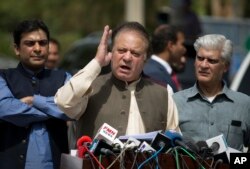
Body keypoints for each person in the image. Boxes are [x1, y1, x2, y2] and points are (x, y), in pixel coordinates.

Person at [55, 22, 180, 146]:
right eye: (121, 50)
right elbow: (63, 102)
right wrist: (97, 62)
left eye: (135, 53)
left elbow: (174, 143)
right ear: (111, 52)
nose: (127, 57)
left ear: (145, 58)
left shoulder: (163, 92)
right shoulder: (91, 87)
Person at [0, 19, 71, 169]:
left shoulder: (64, 77)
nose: (37, 48)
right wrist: (56, 107)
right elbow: (5, 108)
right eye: (30, 43)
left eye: (43, 43)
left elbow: (73, 106)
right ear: (17, 49)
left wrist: (34, 101)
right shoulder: (3, 77)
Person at [173, 34, 250, 151]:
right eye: (200, 58)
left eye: (212, 61)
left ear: (225, 67)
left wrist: (234, 162)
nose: (203, 65)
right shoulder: (176, 101)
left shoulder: (244, 104)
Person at [143, 24, 186, 92]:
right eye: (182, 44)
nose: (184, 49)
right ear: (171, 45)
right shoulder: (154, 74)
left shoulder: (164, 71)